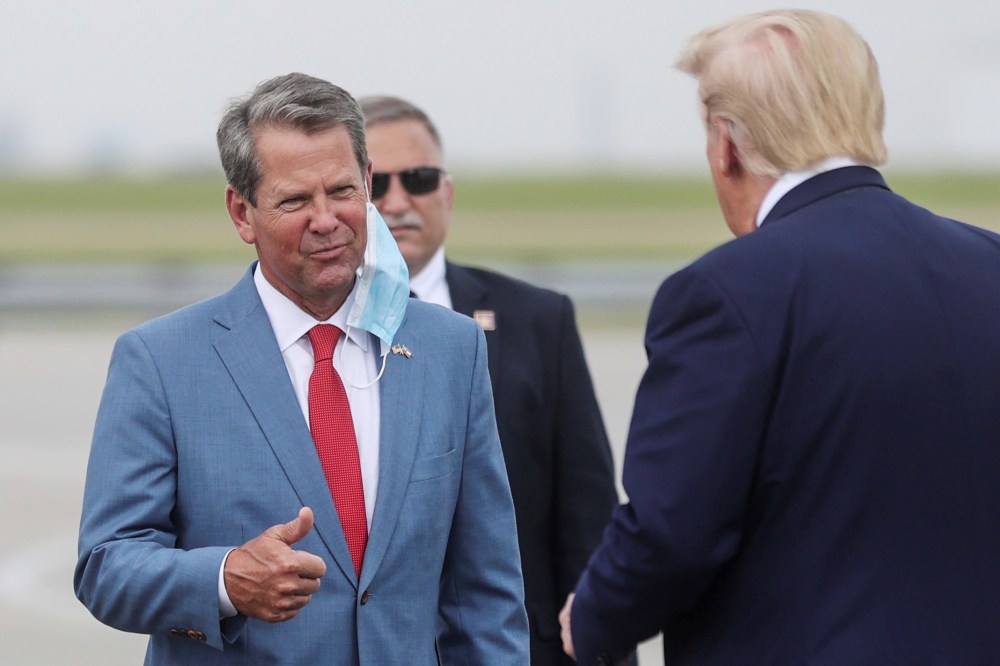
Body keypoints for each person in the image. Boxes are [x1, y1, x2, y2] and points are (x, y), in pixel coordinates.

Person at [560, 9, 1000, 665]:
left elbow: (672, 531)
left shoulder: (725, 292)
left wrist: (590, 621)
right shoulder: (988, 262)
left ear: (727, 144)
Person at [75, 72, 529, 665]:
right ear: (242, 212)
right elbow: (107, 565)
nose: (326, 219)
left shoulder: (452, 350)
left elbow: (487, 597)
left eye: (342, 191)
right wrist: (225, 578)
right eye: (294, 200)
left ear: (367, 184)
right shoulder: (160, 361)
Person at [359, 95, 619, 665]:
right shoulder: (311, 332)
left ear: (447, 193)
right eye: (377, 185)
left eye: (420, 179)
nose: (399, 201)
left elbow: (587, 516)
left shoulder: (539, 320)